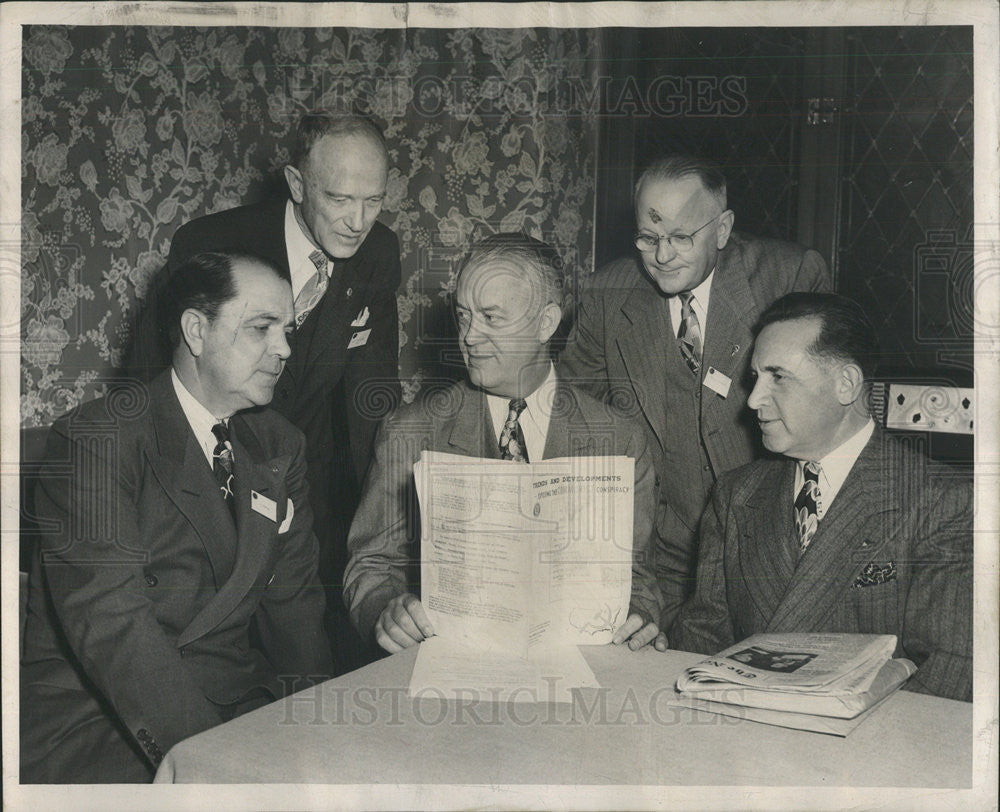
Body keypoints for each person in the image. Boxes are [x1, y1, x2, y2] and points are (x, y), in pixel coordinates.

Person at [21, 251, 334, 783]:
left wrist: (325, 724)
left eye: (288, 329)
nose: (284, 350)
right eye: (262, 328)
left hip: (234, 694)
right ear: (196, 330)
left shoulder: (279, 443)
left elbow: (294, 607)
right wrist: (208, 761)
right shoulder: (99, 439)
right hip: (102, 713)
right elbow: (111, 621)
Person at [135, 111, 401, 673]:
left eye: (373, 201)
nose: (358, 222)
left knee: (308, 650)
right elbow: (154, 384)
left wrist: (378, 523)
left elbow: (371, 396)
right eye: (338, 199)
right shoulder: (212, 243)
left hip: (310, 485)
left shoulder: (379, 253)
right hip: (211, 478)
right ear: (297, 184)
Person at [343, 233, 663, 652]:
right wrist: (385, 610)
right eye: (463, 317)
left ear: (546, 323)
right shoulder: (411, 431)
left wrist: (639, 617)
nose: (469, 337)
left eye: (491, 318)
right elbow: (369, 566)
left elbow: (637, 579)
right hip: (450, 676)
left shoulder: (620, 441)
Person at [559, 153, 831, 637]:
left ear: (722, 230)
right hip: (657, 565)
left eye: (682, 237)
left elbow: (832, 423)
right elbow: (568, 418)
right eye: (648, 238)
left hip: (767, 560)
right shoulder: (608, 295)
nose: (662, 256)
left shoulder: (786, 278)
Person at [670, 292, 973, 702]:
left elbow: (951, 671)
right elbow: (701, 642)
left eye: (778, 377)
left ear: (845, 384)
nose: (754, 399)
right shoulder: (735, 494)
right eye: (755, 377)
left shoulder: (942, 502)